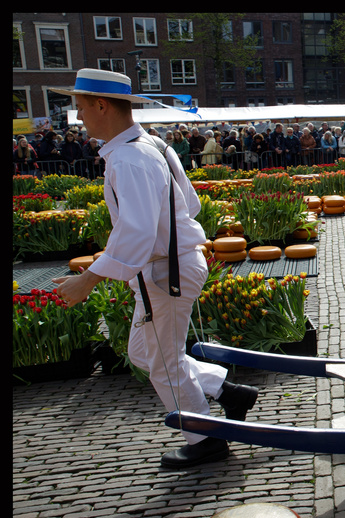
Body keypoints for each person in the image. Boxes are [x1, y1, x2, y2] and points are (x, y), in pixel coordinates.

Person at [45, 69, 259, 469]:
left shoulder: (130, 158)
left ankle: (206, 441)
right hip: (168, 267)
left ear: (102, 106)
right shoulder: (153, 145)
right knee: (145, 354)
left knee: (163, 362)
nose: (79, 117)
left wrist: (88, 280)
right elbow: (188, 206)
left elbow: (136, 231)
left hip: (166, 272)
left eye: (81, 107)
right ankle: (226, 391)